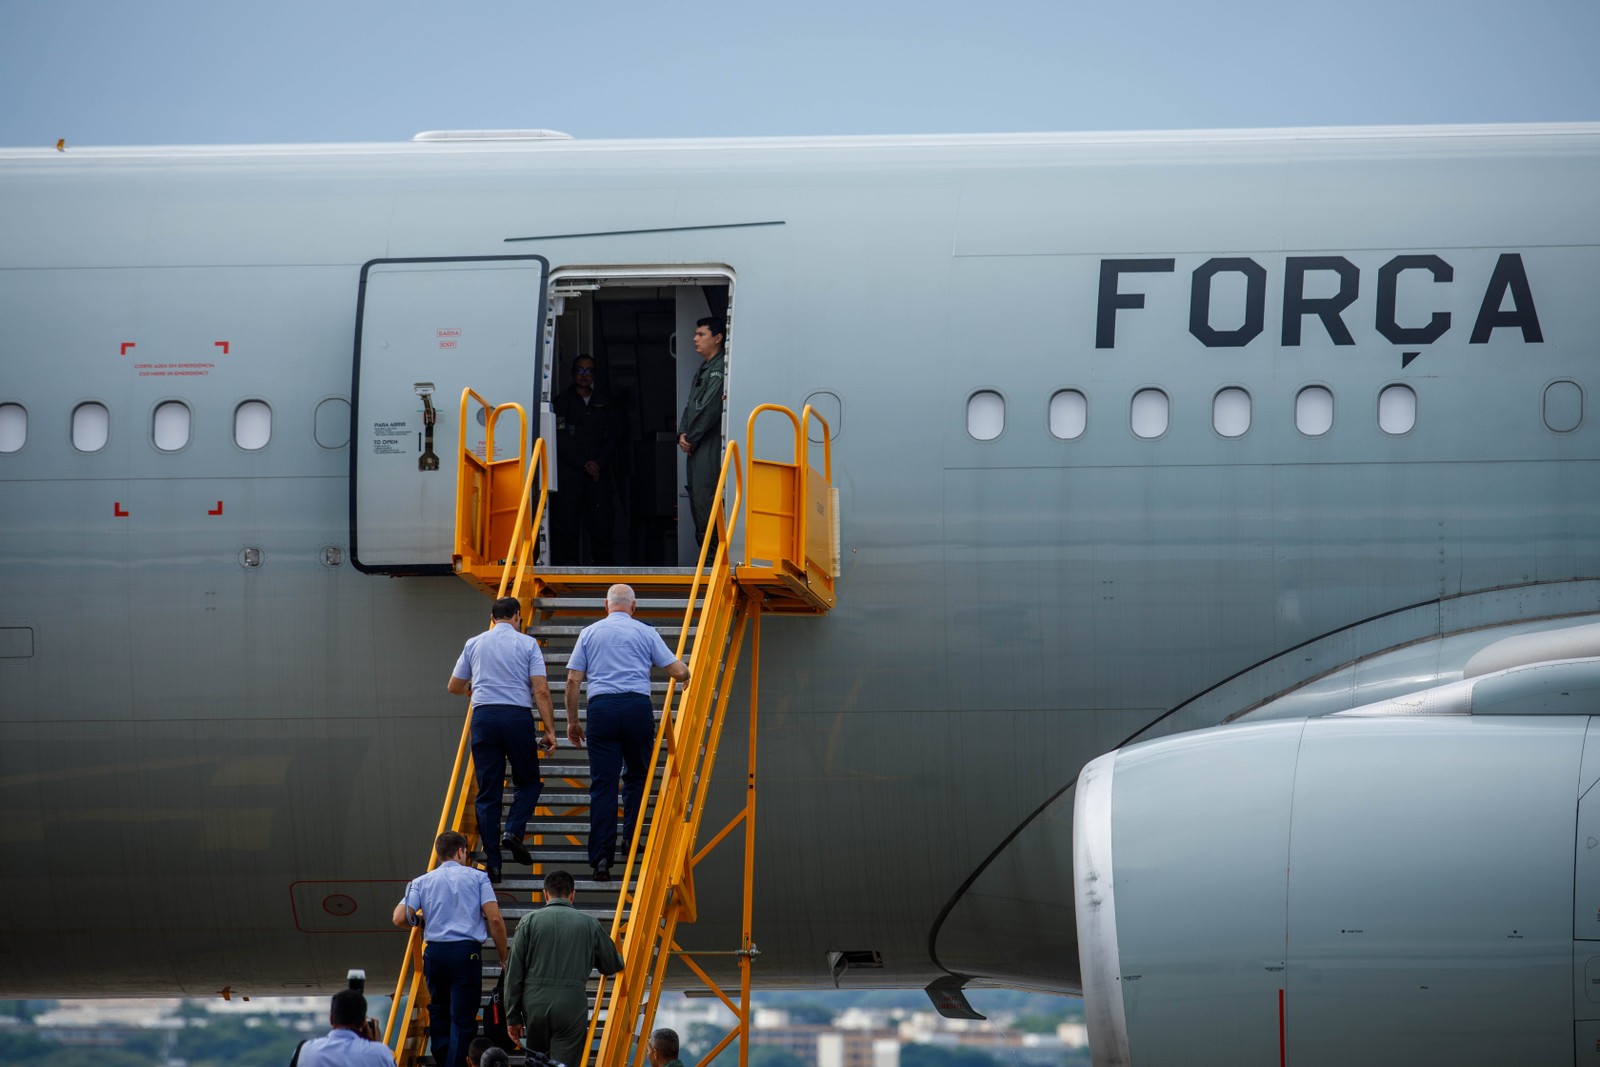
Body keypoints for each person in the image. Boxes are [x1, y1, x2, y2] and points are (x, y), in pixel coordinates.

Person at [564, 584, 690, 880]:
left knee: (603, 785)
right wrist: (687, 674)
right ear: (634, 607)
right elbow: (675, 670)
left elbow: (572, 680)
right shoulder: (645, 632)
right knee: (636, 778)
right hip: (636, 708)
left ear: (605, 605)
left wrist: (572, 720)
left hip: (601, 710)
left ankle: (601, 860)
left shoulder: (590, 633)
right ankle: (632, 841)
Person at [449, 596, 559, 882]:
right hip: (516, 717)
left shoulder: (474, 643)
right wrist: (549, 730)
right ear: (517, 617)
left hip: (484, 718)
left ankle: (493, 863)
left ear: (492, 616)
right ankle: (513, 829)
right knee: (529, 781)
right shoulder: (526, 644)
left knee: (489, 792)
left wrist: (472, 688)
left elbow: (454, 686)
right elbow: (541, 690)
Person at [391, 831, 510, 1067]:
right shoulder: (478, 878)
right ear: (460, 851)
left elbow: (399, 918)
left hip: (435, 954)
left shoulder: (421, 881)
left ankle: (443, 1058)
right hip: (466, 953)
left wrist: (422, 923)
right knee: (463, 1018)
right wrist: (503, 957)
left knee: (439, 1011)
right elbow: (495, 920)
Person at [504, 869, 625, 1067]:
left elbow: (513, 973)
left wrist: (513, 1016)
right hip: (571, 1004)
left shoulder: (528, 922)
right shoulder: (590, 924)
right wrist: (620, 957)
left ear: (545, 894)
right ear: (572, 895)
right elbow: (610, 964)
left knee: (536, 1061)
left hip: (535, 1004)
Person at [551, 355, 618, 566]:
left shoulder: (604, 404)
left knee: (601, 527)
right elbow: (560, 440)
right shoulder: (561, 403)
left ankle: (604, 575)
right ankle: (566, 573)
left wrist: (598, 463)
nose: (584, 375)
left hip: (598, 476)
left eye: (589, 371)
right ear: (573, 373)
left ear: (594, 375)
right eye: (580, 370)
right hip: (571, 476)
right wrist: (584, 464)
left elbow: (613, 438)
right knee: (567, 527)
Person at [677, 316, 726, 553]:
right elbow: (691, 405)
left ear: (717, 338)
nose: (695, 339)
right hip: (697, 443)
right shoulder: (704, 368)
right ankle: (707, 554)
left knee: (706, 496)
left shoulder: (719, 369)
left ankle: (712, 556)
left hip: (707, 443)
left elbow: (710, 408)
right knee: (697, 495)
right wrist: (682, 433)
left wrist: (692, 437)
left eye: (701, 334)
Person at [292, 989, 393, 1067]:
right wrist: (373, 1045)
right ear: (363, 1023)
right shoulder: (380, 1053)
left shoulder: (305, 1050)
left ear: (331, 1019)